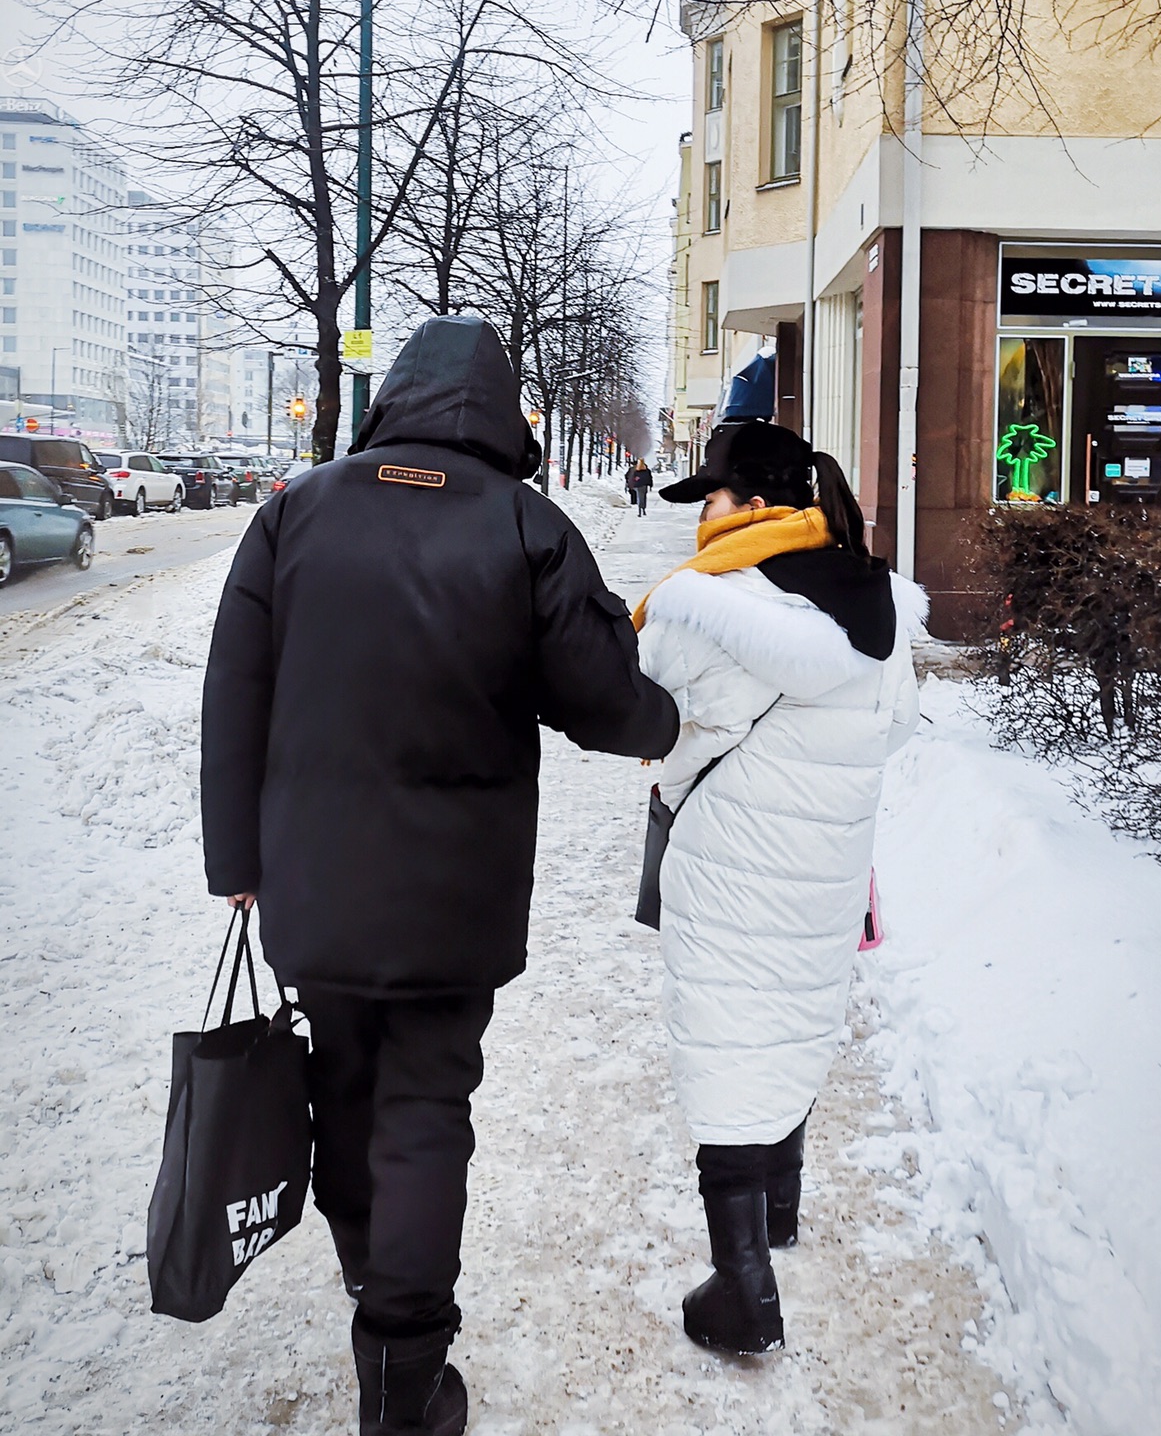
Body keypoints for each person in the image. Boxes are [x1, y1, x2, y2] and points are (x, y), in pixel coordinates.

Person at [200, 315, 678, 1436]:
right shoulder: (528, 527)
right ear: (502, 411)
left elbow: (235, 696)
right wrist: (668, 714)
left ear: (395, 398)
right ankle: (403, 1375)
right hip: (454, 900)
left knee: (342, 1089)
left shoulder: (294, 513)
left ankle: (370, 1269)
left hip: (312, 882)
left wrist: (236, 860)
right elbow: (608, 706)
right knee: (424, 1108)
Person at [633, 420, 920, 1358]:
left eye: (709, 499)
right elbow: (895, 727)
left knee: (725, 1042)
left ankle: (742, 1290)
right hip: (821, 864)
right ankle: (780, 1212)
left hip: (732, 862)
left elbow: (664, 731)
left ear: (754, 505)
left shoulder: (707, 606)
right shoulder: (866, 601)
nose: (701, 520)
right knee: (789, 1020)